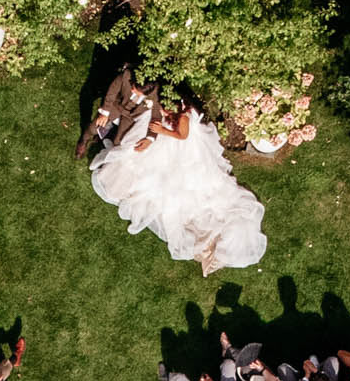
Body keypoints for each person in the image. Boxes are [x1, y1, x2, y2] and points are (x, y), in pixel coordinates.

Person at [90, 88, 267, 274]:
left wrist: (161, 130)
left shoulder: (184, 118)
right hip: (175, 136)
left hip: (179, 142)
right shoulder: (179, 111)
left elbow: (182, 136)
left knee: (166, 183)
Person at [76, 62, 152, 159]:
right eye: (133, 88)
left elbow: (156, 116)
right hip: (117, 106)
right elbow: (112, 93)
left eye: (136, 92)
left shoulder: (155, 94)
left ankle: (103, 139)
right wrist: (104, 113)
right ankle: (84, 140)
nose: (132, 91)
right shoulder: (126, 75)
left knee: (119, 142)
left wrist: (150, 137)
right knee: (93, 128)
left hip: (130, 116)